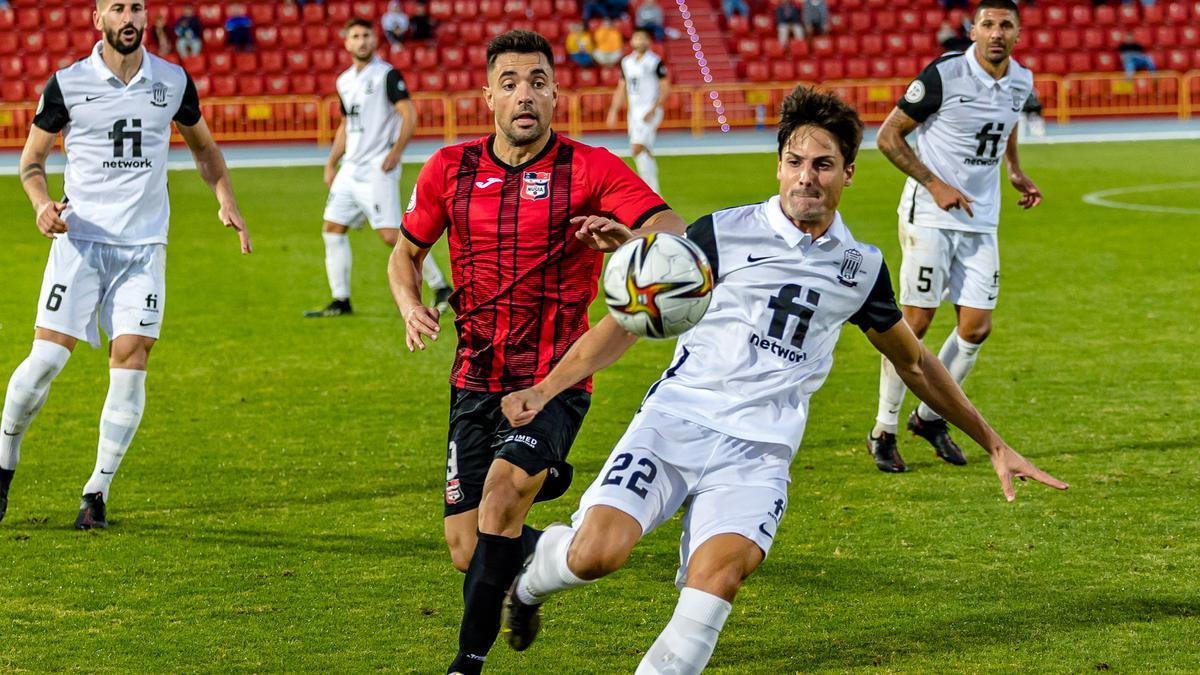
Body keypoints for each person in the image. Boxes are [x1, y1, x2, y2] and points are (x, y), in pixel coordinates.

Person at [499, 85, 1068, 674]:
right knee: (596, 555)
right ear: (778, 167)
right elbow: (631, 320)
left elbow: (916, 363)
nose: (806, 178)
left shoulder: (862, 267)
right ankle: (529, 584)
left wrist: (994, 442)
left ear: (848, 172)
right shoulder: (722, 231)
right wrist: (546, 389)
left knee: (714, 584)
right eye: (795, 163)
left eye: (823, 165)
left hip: (759, 452)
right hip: (677, 421)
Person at [387, 29, 686, 675]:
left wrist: (627, 238)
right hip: (474, 378)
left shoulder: (591, 167)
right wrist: (411, 304)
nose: (526, 94)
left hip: (554, 380)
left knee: (499, 498)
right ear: (488, 96)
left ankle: (466, 662)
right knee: (469, 548)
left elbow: (670, 229)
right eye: (512, 82)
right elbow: (405, 253)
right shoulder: (449, 169)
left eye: (539, 82)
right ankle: (544, 559)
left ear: (557, 95)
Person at [2, 0, 252, 529]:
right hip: (80, 242)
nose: (129, 17)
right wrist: (41, 205)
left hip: (143, 248)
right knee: (44, 363)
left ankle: (96, 492)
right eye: (118, 8)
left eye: (136, 7)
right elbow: (30, 161)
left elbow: (204, 148)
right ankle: (3, 465)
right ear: (99, 20)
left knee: (132, 359)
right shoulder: (67, 84)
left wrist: (225, 196)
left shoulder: (173, 80)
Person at [868, 0, 1042, 473]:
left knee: (976, 327)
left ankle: (929, 417)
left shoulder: (1021, 80)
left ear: (1018, 33)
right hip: (929, 215)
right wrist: (935, 184)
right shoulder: (945, 76)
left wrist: (1015, 170)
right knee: (914, 326)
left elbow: (1004, 125)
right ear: (974, 30)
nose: (996, 33)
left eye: (1006, 25)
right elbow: (887, 137)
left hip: (982, 219)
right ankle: (883, 429)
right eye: (988, 24)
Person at [306, 18, 451, 318]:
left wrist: (396, 152)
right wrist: (332, 162)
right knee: (332, 229)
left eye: (367, 35)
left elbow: (408, 114)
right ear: (346, 43)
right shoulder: (344, 81)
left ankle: (441, 287)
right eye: (356, 36)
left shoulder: (386, 75)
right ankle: (341, 301)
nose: (362, 41)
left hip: (377, 168)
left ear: (375, 40)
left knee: (390, 235)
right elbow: (347, 125)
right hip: (350, 168)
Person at [607, 28, 669, 193]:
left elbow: (665, 87)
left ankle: (646, 190)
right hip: (633, 112)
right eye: (637, 38)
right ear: (632, 41)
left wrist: (655, 108)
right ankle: (654, 192)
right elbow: (621, 87)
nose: (639, 41)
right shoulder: (626, 62)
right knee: (642, 152)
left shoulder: (654, 61)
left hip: (649, 111)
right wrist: (613, 110)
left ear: (648, 41)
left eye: (643, 38)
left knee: (636, 147)